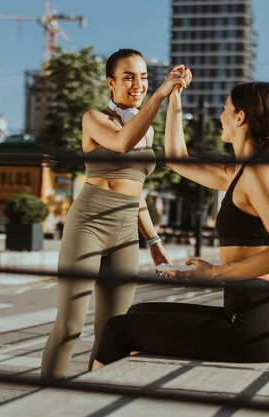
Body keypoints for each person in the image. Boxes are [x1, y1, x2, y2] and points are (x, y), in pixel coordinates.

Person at [92, 81, 269, 368]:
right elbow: (177, 160)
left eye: (225, 109)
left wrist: (216, 273)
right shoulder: (238, 173)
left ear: (240, 118)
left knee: (118, 329)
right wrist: (174, 97)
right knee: (138, 311)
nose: (220, 116)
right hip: (247, 311)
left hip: (253, 324)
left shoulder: (256, 173)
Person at [40, 49, 191, 379]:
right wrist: (161, 95)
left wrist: (153, 240)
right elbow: (122, 142)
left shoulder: (147, 130)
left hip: (126, 233)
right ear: (111, 82)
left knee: (114, 332)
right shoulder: (94, 119)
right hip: (89, 225)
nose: (138, 84)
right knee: (69, 325)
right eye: (128, 77)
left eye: (144, 77)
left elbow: (137, 191)